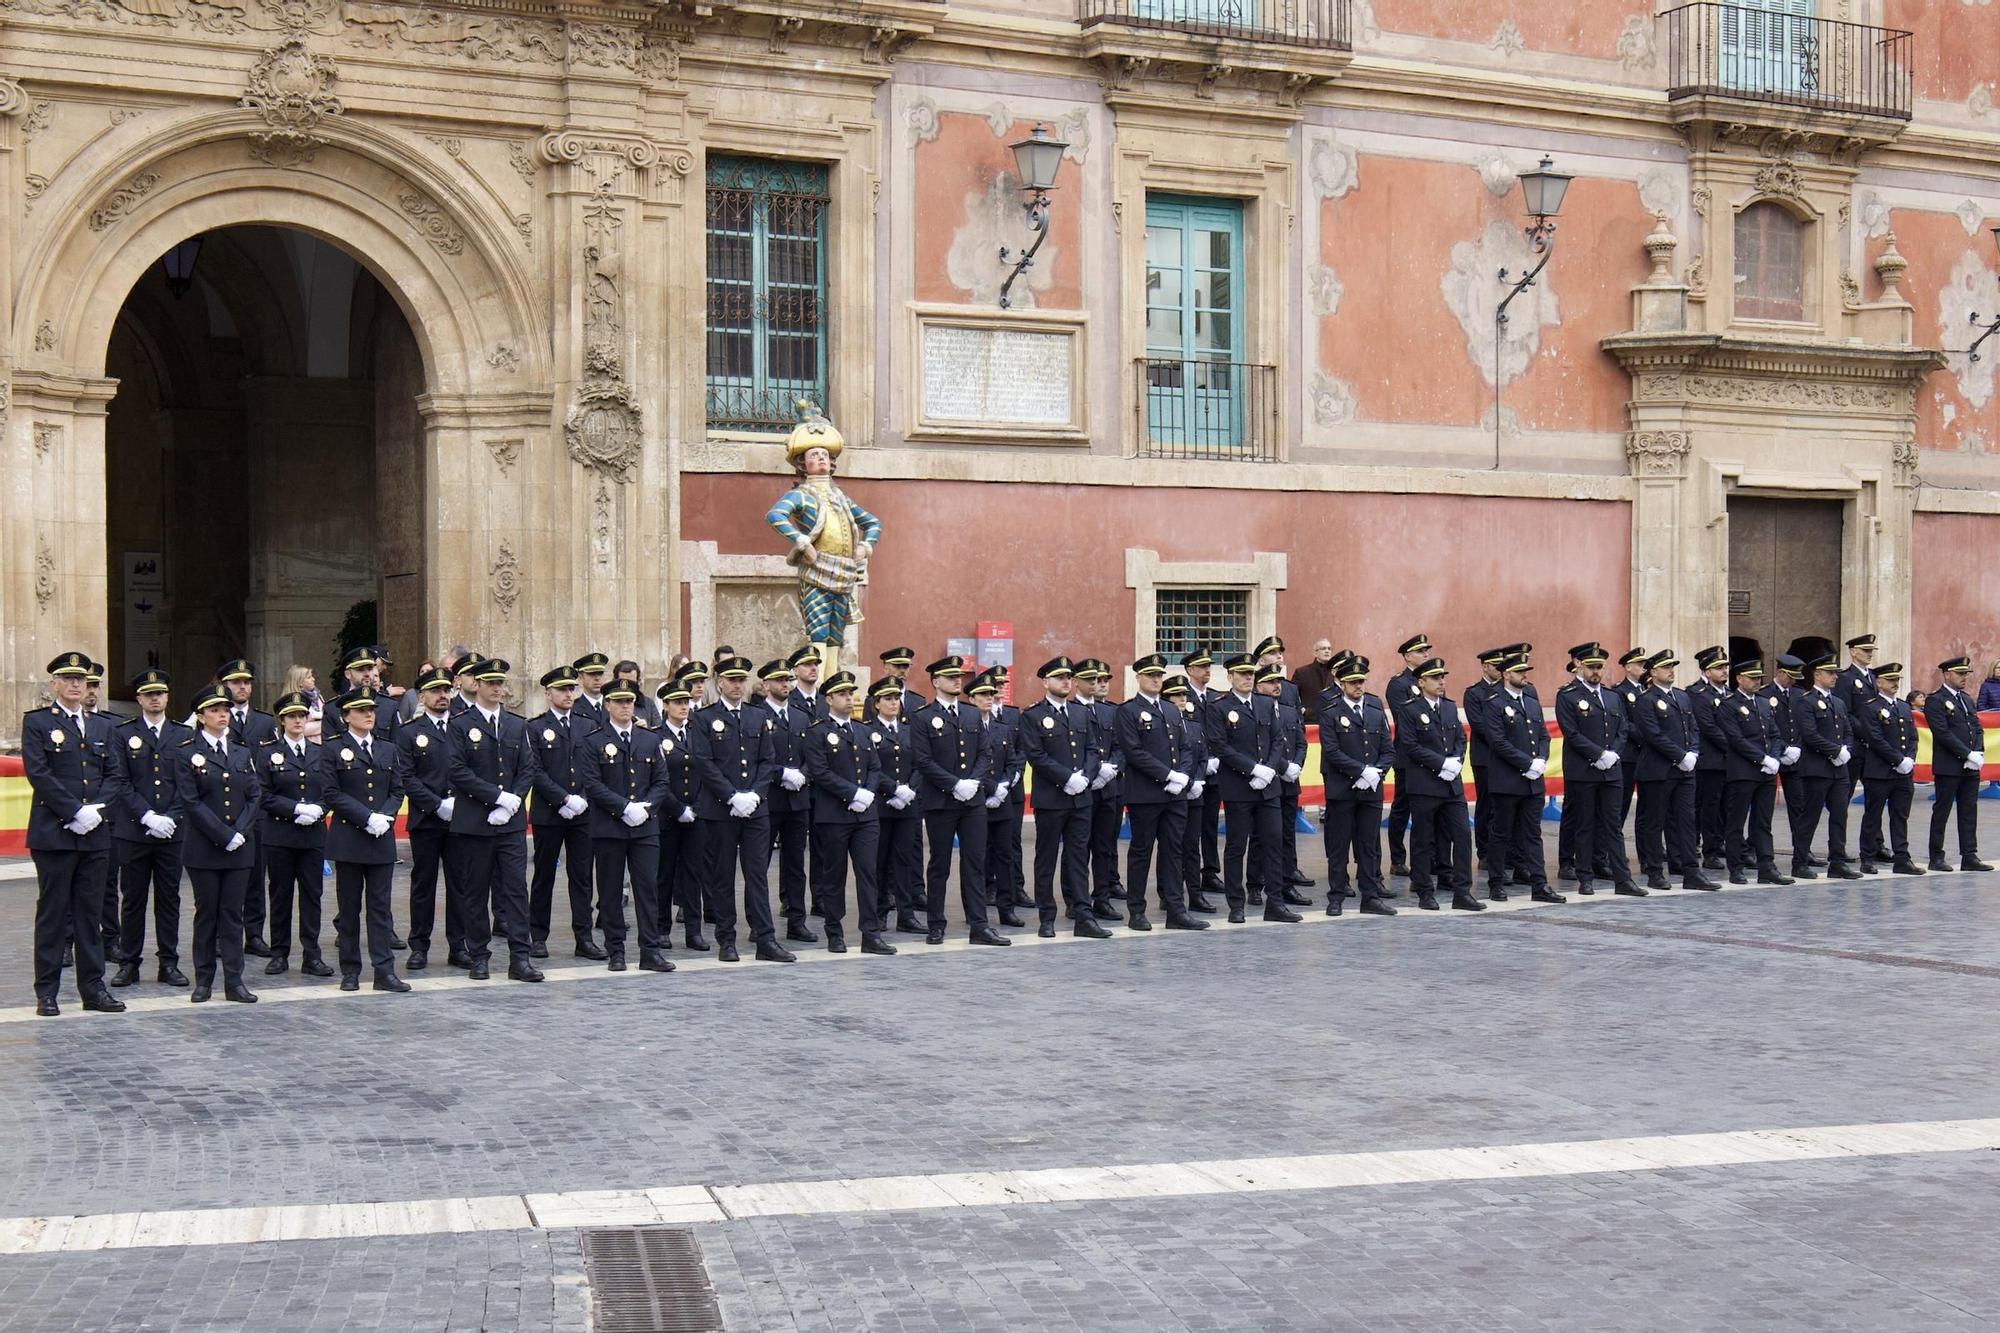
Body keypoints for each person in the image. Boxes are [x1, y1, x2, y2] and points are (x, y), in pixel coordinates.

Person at [25, 651, 129, 1017]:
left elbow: (115, 775)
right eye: (67, 678)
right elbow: (39, 773)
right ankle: (47, 991)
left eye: (80, 679)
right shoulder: (38, 722)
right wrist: (73, 812)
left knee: (90, 914)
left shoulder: (102, 727)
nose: (74, 684)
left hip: (95, 832)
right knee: (53, 915)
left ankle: (93, 989)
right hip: (55, 833)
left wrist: (94, 811)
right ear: (54, 683)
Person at [447, 658, 545, 983]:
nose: (496, 688)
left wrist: (513, 799)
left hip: (511, 823)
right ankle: (479, 956)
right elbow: (458, 770)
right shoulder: (460, 724)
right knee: (475, 892)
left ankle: (520, 957)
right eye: (490, 682)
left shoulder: (517, 724)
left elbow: (527, 767)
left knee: (516, 891)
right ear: (476, 684)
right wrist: (496, 797)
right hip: (475, 822)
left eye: (500, 683)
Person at [690, 655, 792, 964]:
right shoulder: (704, 718)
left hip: (756, 810)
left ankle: (765, 939)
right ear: (719, 682)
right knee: (722, 876)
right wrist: (732, 797)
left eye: (741, 679)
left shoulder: (756, 715)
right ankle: (726, 939)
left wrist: (755, 795)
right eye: (731, 679)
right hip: (721, 811)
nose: (737, 684)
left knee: (757, 875)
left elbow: (767, 760)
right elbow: (704, 763)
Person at [574, 680, 677, 973]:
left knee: (647, 889)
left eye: (629, 701)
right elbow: (592, 784)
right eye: (618, 701)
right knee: (609, 892)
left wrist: (646, 807)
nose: (624, 706)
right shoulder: (594, 740)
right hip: (609, 827)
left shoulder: (649, 739)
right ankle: (615, 949)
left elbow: (661, 781)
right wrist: (624, 807)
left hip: (645, 826)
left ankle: (650, 950)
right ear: (607, 705)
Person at [912, 655, 1006, 946]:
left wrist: (973, 782)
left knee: (975, 863)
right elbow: (923, 760)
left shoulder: (970, 714)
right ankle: (936, 924)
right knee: (940, 864)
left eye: (959, 676)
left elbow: (984, 753)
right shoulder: (922, 717)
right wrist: (954, 785)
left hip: (972, 801)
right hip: (941, 801)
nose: (957, 680)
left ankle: (979, 925)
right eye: (950, 676)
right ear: (935, 681)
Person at [319, 689, 409, 993]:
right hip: (349, 837)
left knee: (380, 908)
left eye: (371, 709)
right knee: (349, 908)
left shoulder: (387, 749)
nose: (369, 714)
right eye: (361, 710)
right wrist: (365, 817)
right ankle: (350, 970)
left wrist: (384, 815)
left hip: (380, 838)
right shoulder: (332, 749)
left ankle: (384, 970)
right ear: (346, 716)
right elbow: (331, 793)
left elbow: (397, 789)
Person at [177, 685, 261, 1004]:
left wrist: (240, 831)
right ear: (200, 717)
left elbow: (254, 794)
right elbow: (191, 801)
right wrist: (223, 835)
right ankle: (204, 980)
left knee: (232, 914)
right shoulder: (187, 752)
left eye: (225, 709)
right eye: (214, 710)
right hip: (205, 847)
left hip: (240, 846)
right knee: (207, 913)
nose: (222, 714)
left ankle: (235, 981)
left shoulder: (240, 751)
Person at [803, 671, 896, 955]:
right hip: (834, 815)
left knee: (868, 873)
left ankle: (871, 933)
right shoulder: (817, 732)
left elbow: (875, 767)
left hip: (865, 816)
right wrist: (852, 793)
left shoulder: (865, 731)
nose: (848, 698)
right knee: (834, 875)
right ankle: (835, 931)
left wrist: (867, 792)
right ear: (829, 698)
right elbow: (820, 772)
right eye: (843, 694)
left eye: (851, 693)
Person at [109, 669, 191, 989]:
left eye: (160, 692)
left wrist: (171, 816)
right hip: (134, 830)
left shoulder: (183, 734)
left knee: (169, 898)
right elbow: (120, 781)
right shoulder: (122, 733)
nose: (155, 698)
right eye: (148, 693)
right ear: (139, 698)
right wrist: (146, 816)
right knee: (133, 899)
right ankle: (129, 962)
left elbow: (189, 782)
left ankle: (168, 963)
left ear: (168, 696)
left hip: (172, 831)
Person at [1207, 655, 1301, 924]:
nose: (1248, 678)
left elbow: (1277, 740)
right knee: (1237, 846)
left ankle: (1276, 902)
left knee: (1273, 843)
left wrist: (1270, 769)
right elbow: (1220, 746)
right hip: (1239, 787)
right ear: (1230, 677)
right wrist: (1252, 770)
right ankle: (1237, 904)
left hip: (1268, 788)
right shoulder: (1220, 707)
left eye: (1251, 674)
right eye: (1242, 674)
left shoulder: (1264, 703)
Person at [1115, 654, 1205, 931]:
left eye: (1159, 675)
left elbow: (1185, 748)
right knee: (1141, 852)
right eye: (1151, 675)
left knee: (1174, 851)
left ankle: (1176, 910)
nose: (1156, 680)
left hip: (1175, 794)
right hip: (1145, 794)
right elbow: (1134, 752)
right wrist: (1167, 775)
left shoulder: (1170, 709)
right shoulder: (1128, 711)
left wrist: (1183, 777)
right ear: (1138, 678)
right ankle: (1137, 911)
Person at [1022, 656, 1109, 937]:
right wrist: (1066, 778)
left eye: (1069, 678)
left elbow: (1094, 750)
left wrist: (1085, 776)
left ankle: (1083, 915)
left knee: (1078, 857)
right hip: (1051, 799)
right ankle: (1047, 917)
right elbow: (1035, 755)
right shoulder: (1033, 716)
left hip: (1081, 797)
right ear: (1045, 682)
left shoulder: (1082, 713)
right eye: (1059, 677)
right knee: (1046, 858)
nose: (1066, 682)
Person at [1393, 658, 1484, 913]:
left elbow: (1459, 738)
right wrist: (1442, 764)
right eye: (1435, 678)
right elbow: (1410, 746)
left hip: (1451, 785)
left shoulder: (1449, 707)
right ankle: (1424, 890)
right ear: (1421, 682)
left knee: (1463, 835)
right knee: (1423, 839)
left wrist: (1456, 761)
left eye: (1442, 677)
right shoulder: (1409, 709)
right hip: (1424, 784)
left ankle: (1462, 891)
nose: (1441, 681)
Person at [1474, 653, 1561, 903]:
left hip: (1532, 781)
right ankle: (1496, 882)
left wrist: (1541, 760)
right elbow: (1497, 741)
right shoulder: (1493, 703)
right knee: (1501, 833)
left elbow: (1543, 735)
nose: (1525, 675)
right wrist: (1526, 763)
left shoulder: (1531, 702)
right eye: (1520, 671)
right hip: (1506, 780)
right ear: (1506, 674)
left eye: (1525, 671)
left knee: (1533, 833)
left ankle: (1540, 884)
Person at [258, 691, 331, 978]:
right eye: (293, 716)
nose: (299, 721)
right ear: (282, 720)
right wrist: (294, 809)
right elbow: (262, 794)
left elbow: (329, 790)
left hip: (312, 835)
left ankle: (312, 954)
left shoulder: (319, 752)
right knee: (281, 894)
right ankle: (279, 953)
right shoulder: (268, 752)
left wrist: (319, 809)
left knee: (312, 895)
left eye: (302, 715)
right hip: (281, 834)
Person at [528, 664, 598, 960]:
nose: (569, 694)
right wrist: (563, 799)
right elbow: (535, 770)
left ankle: (584, 937)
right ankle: (538, 936)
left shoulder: (587, 725)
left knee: (582, 876)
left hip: (582, 812)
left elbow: (595, 767)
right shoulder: (535, 727)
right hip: (550, 812)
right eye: (562, 689)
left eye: (572, 688)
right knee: (544, 875)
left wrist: (581, 798)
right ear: (548, 693)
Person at [209, 659, 278, 957]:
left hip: (256, 808)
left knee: (255, 874)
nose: (242, 687)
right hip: (221, 809)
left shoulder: (264, 722)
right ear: (224, 686)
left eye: (247, 682)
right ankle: (222, 935)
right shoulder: (214, 717)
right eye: (236, 682)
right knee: (220, 879)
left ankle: (254, 933)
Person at [1316, 654, 1394, 916]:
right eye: (1352, 682)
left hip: (1371, 789)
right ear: (1342, 683)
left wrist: (1376, 772)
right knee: (1339, 846)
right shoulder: (1331, 712)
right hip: (1343, 789)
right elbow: (1332, 750)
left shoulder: (1374, 709)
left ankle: (1370, 895)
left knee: (1369, 844)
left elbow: (1387, 748)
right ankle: (1336, 895)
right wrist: (1360, 771)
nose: (1358, 686)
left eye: (1361, 681)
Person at [396, 666, 463, 970]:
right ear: (422, 696)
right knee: (424, 884)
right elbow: (406, 777)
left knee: (460, 884)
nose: (442, 696)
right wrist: (436, 805)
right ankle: (419, 945)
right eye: (435, 691)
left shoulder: (462, 727)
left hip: (461, 818)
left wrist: (459, 803)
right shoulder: (410, 732)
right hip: (426, 819)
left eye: (446, 690)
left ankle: (458, 945)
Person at [1631, 650, 1711, 894]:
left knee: (1686, 821)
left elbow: (1693, 728)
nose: (1671, 671)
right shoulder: (1646, 700)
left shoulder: (1682, 697)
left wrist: (1693, 754)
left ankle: (1691, 871)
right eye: (1666, 667)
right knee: (1655, 822)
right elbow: (1653, 735)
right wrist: (1680, 756)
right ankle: (1655, 871)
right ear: (1653, 672)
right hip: (1658, 770)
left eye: (1673, 667)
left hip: (1685, 771)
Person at [1554, 643, 1631, 898]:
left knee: (1613, 826)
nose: (1596, 672)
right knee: (1585, 826)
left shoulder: (1612, 697)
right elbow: (1572, 733)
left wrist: (1613, 754)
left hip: (1611, 770)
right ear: (1580, 666)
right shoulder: (1568, 696)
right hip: (1584, 771)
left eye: (1599, 667)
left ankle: (1623, 878)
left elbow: (1623, 729)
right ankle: (1584, 877)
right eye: (1591, 667)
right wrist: (1597, 755)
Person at [757, 659, 817, 943]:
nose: (785, 685)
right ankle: (759, 924)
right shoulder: (756, 715)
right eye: (779, 681)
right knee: (759, 864)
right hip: (769, 799)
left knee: (795, 865)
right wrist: (781, 773)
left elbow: (813, 755)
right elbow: (756, 759)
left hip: (798, 801)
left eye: (787, 680)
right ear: (766, 684)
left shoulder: (801, 716)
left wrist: (803, 774)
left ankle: (796, 921)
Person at [1788, 654, 1860, 881]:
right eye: (1830, 673)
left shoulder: (1837, 702)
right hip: (1816, 768)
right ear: (1817, 675)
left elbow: (1848, 730)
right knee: (1809, 817)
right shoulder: (1805, 701)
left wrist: (1846, 749)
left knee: (1840, 815)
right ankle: (1799, 862)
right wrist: (1835, 751)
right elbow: (1809, 734)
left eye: (1835, 672)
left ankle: (1837, 861)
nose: (1834, 676)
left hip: (1839, 770)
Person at [1719, 660, 1790, 886]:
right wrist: (1761, 758)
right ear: (1739, 679)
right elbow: (1735, 739)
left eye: (1759, 677)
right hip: (1743, 771)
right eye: (1752, 677)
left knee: (1763, 822)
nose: (1757, 681)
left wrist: (1775, 758)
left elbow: (1775, 735)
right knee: (1736, 822)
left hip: (1766, 772)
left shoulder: (1763, 703)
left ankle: (1766, 866)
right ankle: (1736, 867)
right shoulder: (1728, 705)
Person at [865, 677, 926, 935]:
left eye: (896, 698)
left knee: (905, 861)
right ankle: (880, 911)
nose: (893, 703)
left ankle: (906, 913)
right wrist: (893, 789)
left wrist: (909, 789)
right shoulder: (867, 730)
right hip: (882, 803)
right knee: (879, 861)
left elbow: (921, 763)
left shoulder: (910, 730)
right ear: (876, 703)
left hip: (908, 805)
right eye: (887, 699)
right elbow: (869, 767)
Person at [970, 671, 1029, 929]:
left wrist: (1007, 783)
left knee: (1008, 849)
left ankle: (1010, 900)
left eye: (1000, 687)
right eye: (990, 689)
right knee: (980, 851)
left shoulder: (1010, 719)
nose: (996, 692)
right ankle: (982, 897)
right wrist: (992, 787)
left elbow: (1018, 753)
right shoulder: (968, 723)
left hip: (1007, 794)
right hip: (978, 795)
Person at [653, 678, 708, 950]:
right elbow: (657, 779)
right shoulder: (656, 736)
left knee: (693, 874)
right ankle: (662, 928)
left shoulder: (698, 733)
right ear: (665, 705)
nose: (683, 707)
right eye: (677, 702)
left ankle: (693, 931)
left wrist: (696, 807)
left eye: (686, 702)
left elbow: (707, 771)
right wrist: (677, 808)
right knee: (664, 874)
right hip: (667, 816)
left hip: (696, 816)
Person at [1925, 657, 1991, 873]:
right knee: (1942, 811)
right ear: (1946, 675)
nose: (1964, 678)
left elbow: (1977, 727)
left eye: (1966, 674)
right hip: (1949, 766)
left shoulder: (1966, 699)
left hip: (1969, 766)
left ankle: (1969, 855)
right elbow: (1942, 733)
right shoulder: (1935, 700)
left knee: (1969, 811)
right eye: (1960, 674)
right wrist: (1967, 754)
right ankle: (1936, 856)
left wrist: (1978, 752)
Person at [1856, 663, 1922, 876]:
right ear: (1879, 682)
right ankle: (1867, 857)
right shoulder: (1870, 707)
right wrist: (1897, 760)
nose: (1895, 684)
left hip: (1903, 773)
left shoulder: (1903, 707)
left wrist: (1910, 759)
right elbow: (1875, 738)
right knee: (1873, 816)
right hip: (1879, 771)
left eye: (1897, 680)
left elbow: (1913, 736)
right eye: (1890, 680)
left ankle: (1902, 857)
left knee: (1900, 815)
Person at [1077, 660, 1127, 921]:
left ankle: (1102, 897)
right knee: (1079, 848)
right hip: (1082, 789)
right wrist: (1091, 773)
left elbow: (1121, 746)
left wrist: (1112, 768)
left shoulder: (1110, 712)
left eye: (1100, 680)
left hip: (1108, 788)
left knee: (1105, 846)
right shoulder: (1072, 710)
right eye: (1092, 679)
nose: (1097, 684)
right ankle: (1077, 900)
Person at [1180, 647, 1226, 908]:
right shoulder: (1182, 697)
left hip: (1214, 771)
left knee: (1209, 825)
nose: (1207, 670)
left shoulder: (1216, 698)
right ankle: (1188, 876)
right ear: (1190, 671)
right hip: (1192, 772)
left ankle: (1210, 871)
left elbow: (1219, 734)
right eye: (1202, 667)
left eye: (1209, 666)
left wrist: (1215, 758)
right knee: (1189, 830)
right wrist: (1201, 762)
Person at [1384, 633, 1430, 876]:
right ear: (1407, 655)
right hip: (1407, 754)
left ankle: (1428, 855)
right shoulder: (1399, 684)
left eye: (1427, 651)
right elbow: (1408, 718)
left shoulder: (1430, 679)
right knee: (1402, 807)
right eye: (1421, 651)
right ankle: (1398, 858)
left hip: (1430, 754)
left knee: (1428, 807)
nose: (1426, 655)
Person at [1685, 646, 1732, 872]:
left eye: (1725, 667)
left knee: (1725, 806)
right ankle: (1707, 850)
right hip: (1709, 760)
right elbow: (1708, 728)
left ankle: (1719, 842)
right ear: (1706, 671)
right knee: (1707, 806)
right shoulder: (1697, 695)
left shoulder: (1729, 694)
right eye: (1719, 668)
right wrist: (1736, 746)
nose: (1724, 671)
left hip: (1729, 760)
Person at [866, 647, 926, 721]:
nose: (902, 671)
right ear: (886, 668)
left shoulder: (918, 701)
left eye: (905, 666)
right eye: (897, 666)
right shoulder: (873, 700)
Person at [1291, 639, 1339, 713]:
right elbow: (1292, 694)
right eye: (1323, 648)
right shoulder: (1302, 672)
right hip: (1310, 719)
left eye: (1329, 649)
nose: (1327, 651)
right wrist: (1302, 710)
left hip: (1333, 718)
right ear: (1315, 653)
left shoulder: (1337, 673)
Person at [614, 661, 664, 729]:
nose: (627, 687)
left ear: (638, 682)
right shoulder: (607, 703)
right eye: (623, 683)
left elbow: (659, 732)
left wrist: (646, 729)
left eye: (632, 683)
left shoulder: (648, 703)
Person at [284, 664, 324, 741]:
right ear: (299, 682)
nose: (313, 679)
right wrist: (324, 725)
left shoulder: (318, 697)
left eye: (312, 676)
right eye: (309, 677)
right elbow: (298, 728)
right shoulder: (293, 701)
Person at [573, 651, 612, 727]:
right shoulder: (573, 709)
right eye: (592, 674)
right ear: (581, 678)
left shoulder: (614, 705)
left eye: (600, 673)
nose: (597, 678)